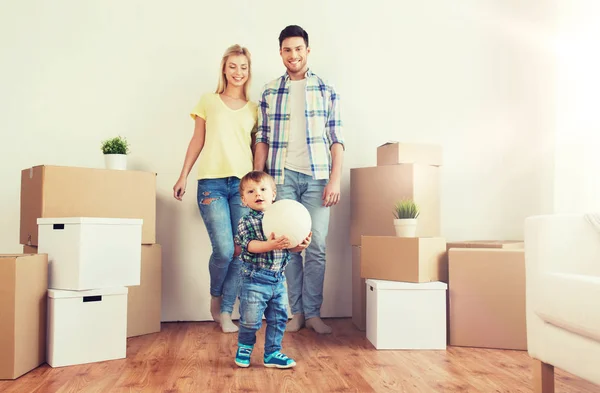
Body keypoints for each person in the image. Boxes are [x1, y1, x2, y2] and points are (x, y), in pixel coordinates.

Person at [253, 25, 345, 334]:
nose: (294, 55)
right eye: (287, 50)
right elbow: (262, 138)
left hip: (318, 178)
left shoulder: (326, 89)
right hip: (282, 177)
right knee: (288, 245)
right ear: (281, 53)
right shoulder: (269, 91)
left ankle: (314, 312)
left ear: (308, 50)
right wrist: (259, 179)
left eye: (299, 49)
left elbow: (336, 138)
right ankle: (296, 313)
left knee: (316, 245)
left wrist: (335, 180)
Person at [173, 44, 257, 333]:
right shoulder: (208, 101)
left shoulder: (254, 109)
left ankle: (224, 313)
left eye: (243, 67)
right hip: (211, 183)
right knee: (223, 250)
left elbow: (257, 148)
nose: (238, 72)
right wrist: (183, 175)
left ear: (249, 71)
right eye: (233, 66)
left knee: (238, 249)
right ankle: (216, 295)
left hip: (243, 187)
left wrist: (260, 185)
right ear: (224, 68)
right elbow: (197, 140)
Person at [233, 170, 311, 369]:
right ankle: (245, 346)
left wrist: (300, 245)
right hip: (254, 280)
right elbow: (249, 246)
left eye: (263, 189)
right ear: (243, 200)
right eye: (251, 191)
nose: (258, 194)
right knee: (251, 319)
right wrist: (270, 245)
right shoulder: (247, 222)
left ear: (273, 195)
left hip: (278, 280)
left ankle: (272, 353)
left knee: (278, 318)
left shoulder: (284, 218)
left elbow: (289, 247)